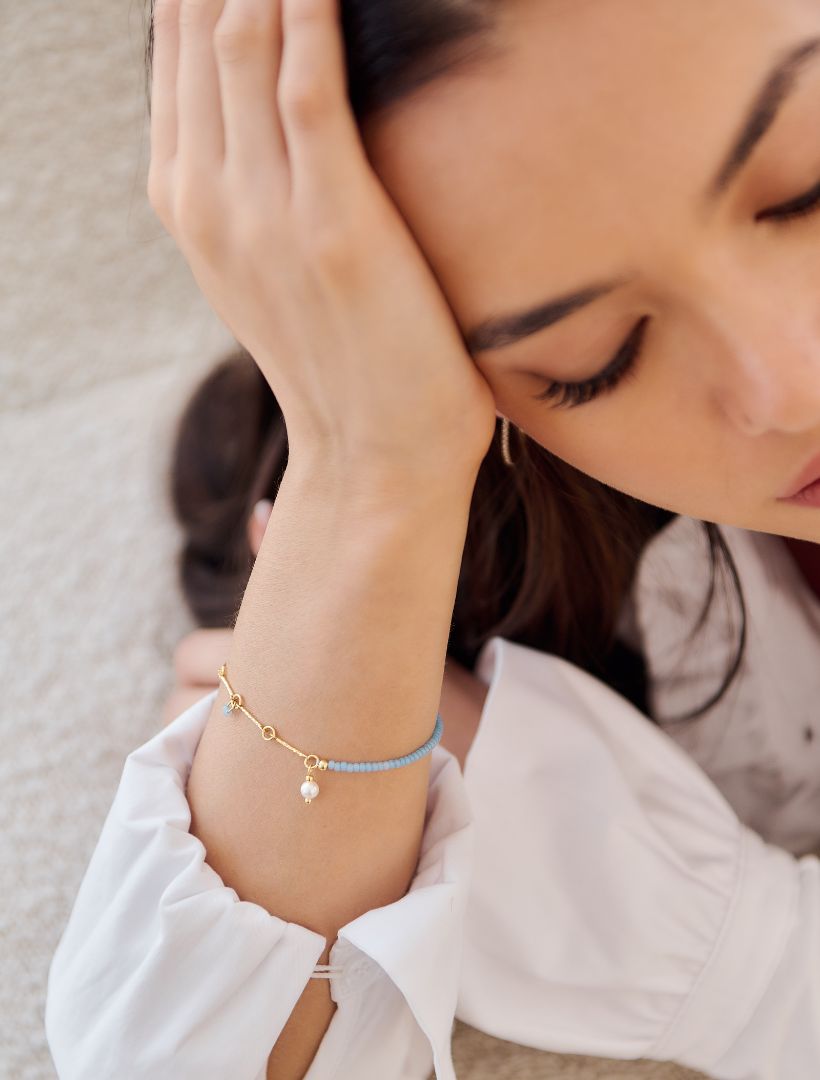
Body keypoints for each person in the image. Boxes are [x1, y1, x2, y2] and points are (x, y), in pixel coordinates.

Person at [44, 0, 820, 1077]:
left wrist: (747, 960)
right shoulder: (535, 573)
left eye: (811, 186)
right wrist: (372, 477)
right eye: (593, 358)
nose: (792, 382)